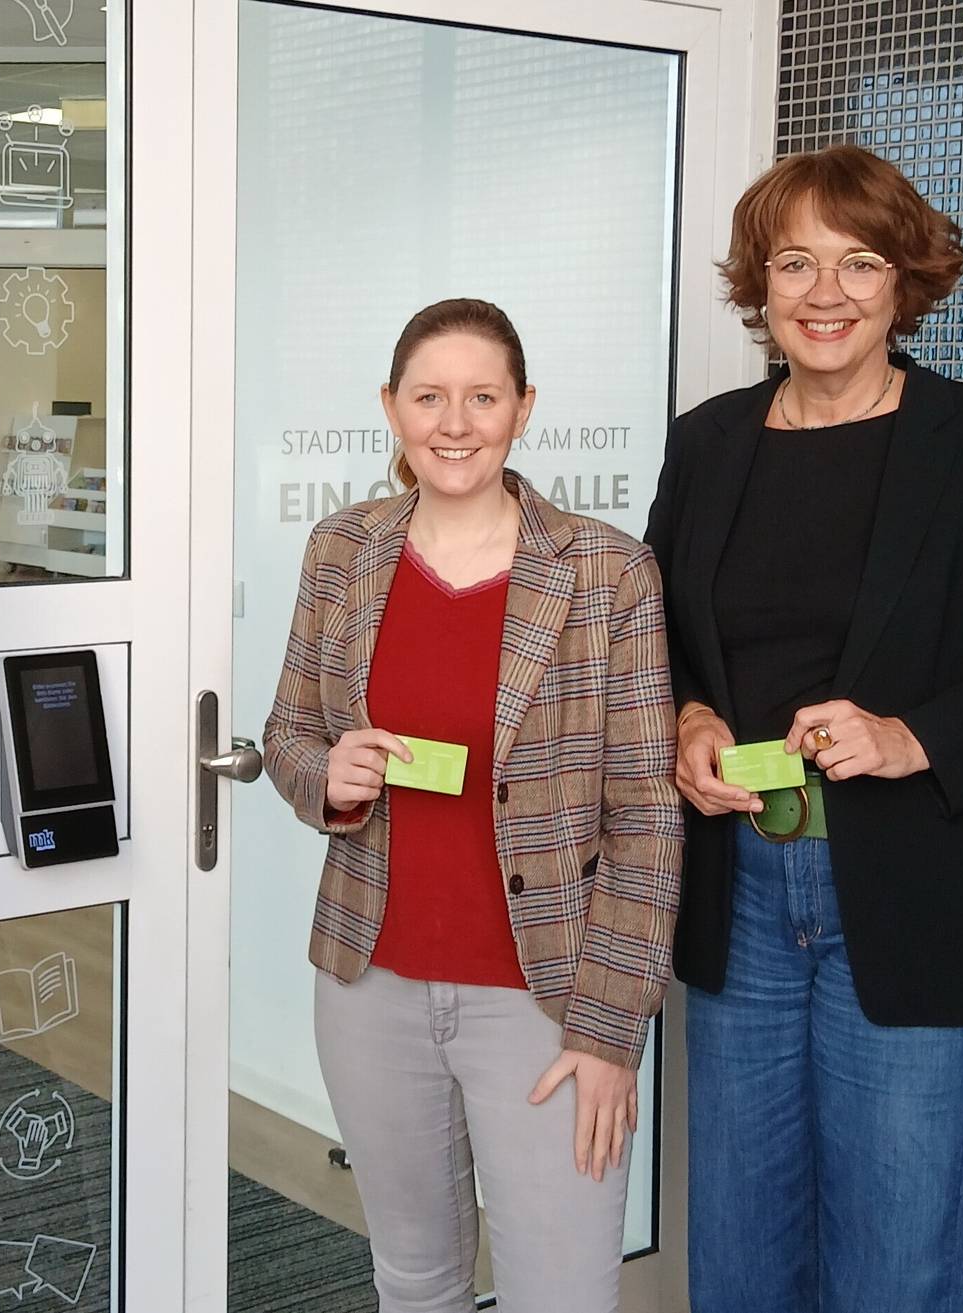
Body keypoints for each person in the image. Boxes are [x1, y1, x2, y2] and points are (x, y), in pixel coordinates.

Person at [644, 144, 963, 1312]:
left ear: (906, 281)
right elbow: (654, 635)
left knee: (898, 1268)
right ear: (759, 284)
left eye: (859, 263)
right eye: (794, 262)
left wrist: (913, 736)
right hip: (740, 886)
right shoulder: (708, 441)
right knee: (741, 1258)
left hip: (918, 892)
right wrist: (688, 714)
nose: (825, 292)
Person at [264, 298, 684, 1313]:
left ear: (523, 408)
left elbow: (646, 817)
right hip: (371, 988)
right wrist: (328, 776)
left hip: (546, 1003)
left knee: (562, 1295)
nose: (454, 424)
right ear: (391, 407)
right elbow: (288, 734)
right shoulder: (341, 550)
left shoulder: (606, 571)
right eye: (429, 398)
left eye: (483, 398)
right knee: (415, 1283)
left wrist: (609, 1031)